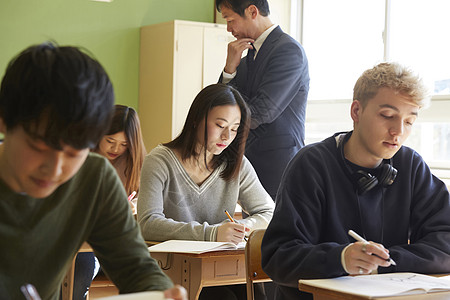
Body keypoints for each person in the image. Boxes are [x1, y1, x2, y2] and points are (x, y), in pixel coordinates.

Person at [0, 42, 186, 300]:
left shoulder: (94, 178)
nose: (55, 169)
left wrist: (160, 293)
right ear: (4, 121)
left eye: (75, 152)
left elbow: (134, 267)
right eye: (39, 146)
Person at [261, 62, 450, 299]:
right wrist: (341, 259)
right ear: (356, 112)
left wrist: (382, 262)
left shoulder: (411, 165)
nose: (398, 131)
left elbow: (446, 242)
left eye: (409, 121)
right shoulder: (311, 165)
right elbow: (278, 256)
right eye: (387, 116)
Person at [137, 83, 275, 300]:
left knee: (255, 293)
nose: (227, 136)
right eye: (220, 125)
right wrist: (212, 233)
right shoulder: (160, 160)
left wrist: (243, 227)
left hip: (221, 266)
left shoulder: (237, 164)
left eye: (235, 128)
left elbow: (269, 212)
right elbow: (147, 224)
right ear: (196, 119)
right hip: (171, 270)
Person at [216, 0, 310, 199]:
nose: (228, 28)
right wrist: (229, 70)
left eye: (230, 20)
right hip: (249, 164)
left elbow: (262, 111)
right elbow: (220, 105)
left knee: (274, 229)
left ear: (252, 11)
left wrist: (222, 125)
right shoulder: (245, 56)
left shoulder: (288, 51)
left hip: (278, 166)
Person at [72, 104, 147, 299]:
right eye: (110, 140)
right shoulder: (82, 158)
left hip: (117, 247)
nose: (116, 149)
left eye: (124, 144)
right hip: (85, 245)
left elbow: (146, 207)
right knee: (79, 268)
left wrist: (137, 206)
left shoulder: (136, 166)